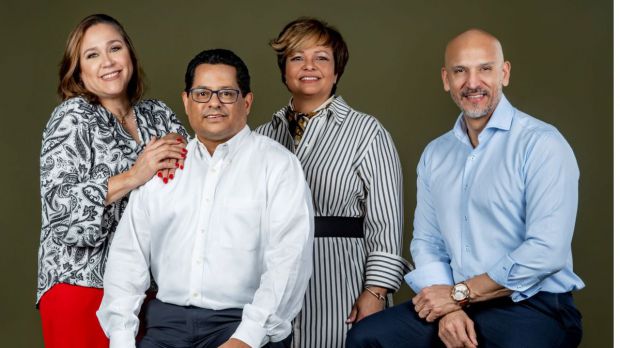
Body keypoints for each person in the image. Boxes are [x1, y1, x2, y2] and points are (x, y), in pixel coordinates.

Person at [346, 28, 584, 348]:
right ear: (446, 79)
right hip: (459, 301)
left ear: (505, 73)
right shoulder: (436, 154)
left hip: (533, 304)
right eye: (460, 71)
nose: (472, 82)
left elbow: (546, 251)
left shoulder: (542, 144)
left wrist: (460, 294)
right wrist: (448, 310)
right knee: (367, 337)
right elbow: (427, 243)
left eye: (485, 68)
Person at [97, 49, 314, 348]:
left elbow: (289, 260)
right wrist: (121, 337)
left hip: (243, 326)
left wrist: (247, 338)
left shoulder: (277, 166)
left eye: (226, 93)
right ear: (186, 102)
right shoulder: (166, 164)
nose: (213, 103)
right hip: (166, 327)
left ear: (247, 102)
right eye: (201, 93)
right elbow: (128, 255)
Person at [255, 18, 410, 348]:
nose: (309, 66)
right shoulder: (262, 137)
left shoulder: (368, 133)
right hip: (271, 285)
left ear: (336, 71)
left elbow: (386, 224)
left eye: (321, 57)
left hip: (341, 281)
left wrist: (375, 292)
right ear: (284, 70)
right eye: (297, 57)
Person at [37, 14, 188, 348]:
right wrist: (136, 174)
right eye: (92, 55)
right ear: (78, 70)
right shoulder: (72, 117)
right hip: (83, 286)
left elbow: (190, 186)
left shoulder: (158, 115)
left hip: (149, 292)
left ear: (129, 56)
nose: (107, 62)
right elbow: (61, 211)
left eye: (114, 48)